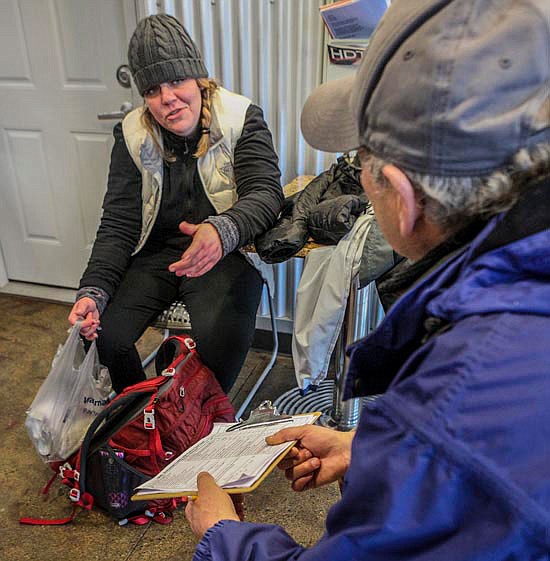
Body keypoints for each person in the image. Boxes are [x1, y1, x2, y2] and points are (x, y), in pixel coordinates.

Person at [184, 0, 550, 558]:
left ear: (401, 198)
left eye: (362, 161)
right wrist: (371, 445)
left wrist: (222, 535)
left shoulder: (455, 394)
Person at [68, 14, 283, 394]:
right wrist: (93, 290)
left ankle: (200, 418)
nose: (167, 98)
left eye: (177, 81)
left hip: (222, 255)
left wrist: (223, 229)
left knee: (221, 338)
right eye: (152, 89)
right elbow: (118, 222)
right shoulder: (132, 134)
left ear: (198, 78)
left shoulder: (239, 118)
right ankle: (141, 417)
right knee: (104, 335)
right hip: (156, 256)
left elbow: (266, 193)